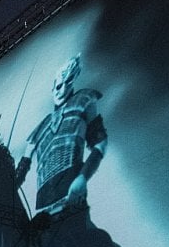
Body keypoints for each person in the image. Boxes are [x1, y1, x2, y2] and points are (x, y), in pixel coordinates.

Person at [15, 54, 107, 222]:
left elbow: (100, 144)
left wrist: (82, 178)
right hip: (43, 207)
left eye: (68, 84)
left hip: (72, 197)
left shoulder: (83, 100)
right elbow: (21, 169)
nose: (63, 90)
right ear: (53, 88)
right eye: (59, 86)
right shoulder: (40, 128)